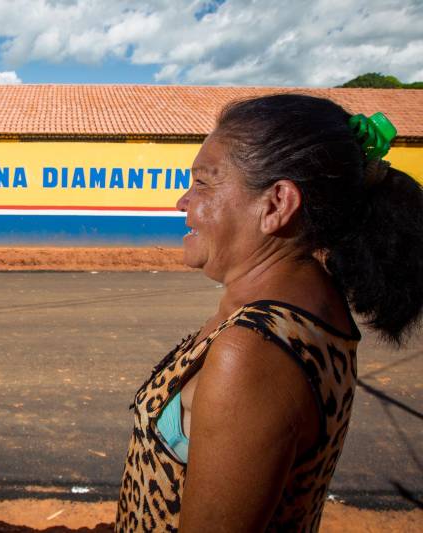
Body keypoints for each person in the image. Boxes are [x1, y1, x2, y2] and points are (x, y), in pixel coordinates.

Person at [115, 94, 423, 532]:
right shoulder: (311, 305)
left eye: (202, 183)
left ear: (276, 205)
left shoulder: (253, 351)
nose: (183, 201)